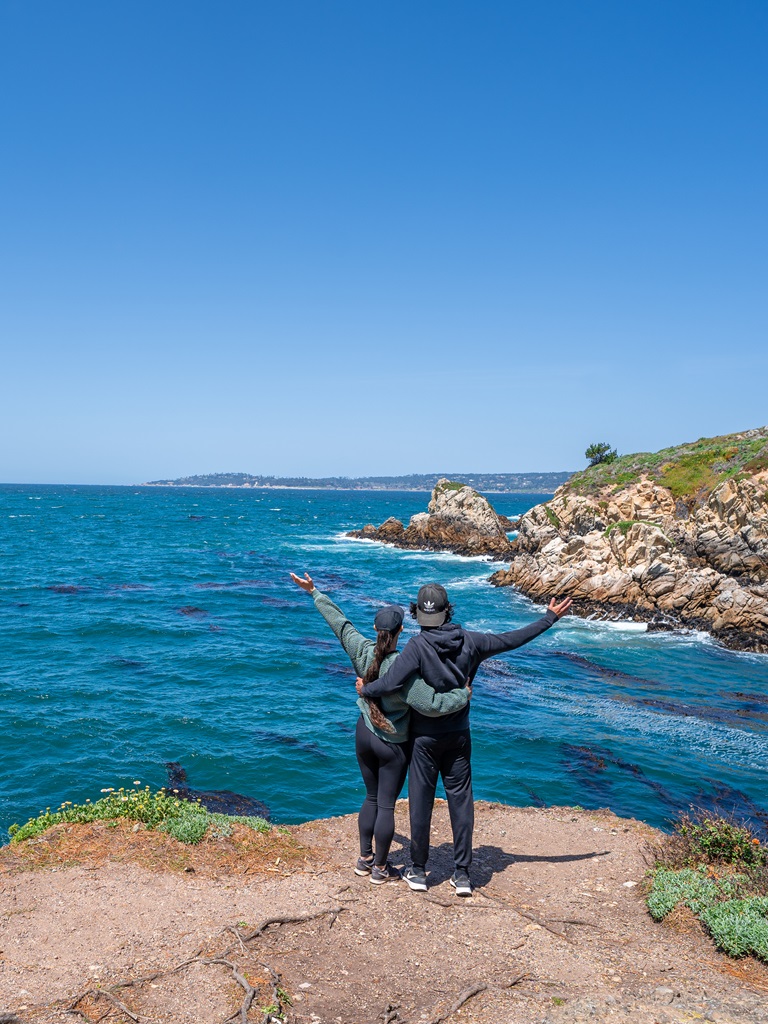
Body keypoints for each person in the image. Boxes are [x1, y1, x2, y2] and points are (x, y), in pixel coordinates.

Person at [358, 583, 572, 896]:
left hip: (424, 740)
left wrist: (366, 690)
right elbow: (511, 640)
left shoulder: (416, 647)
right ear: (448, 610)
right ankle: (462, 875)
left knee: (421, 802)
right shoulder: (471, 641)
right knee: (460, 800)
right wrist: (548, 618)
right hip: (458, 735)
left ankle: (417, 871)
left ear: (417, 614)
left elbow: (390, 683)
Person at [289, 571, 471, 884]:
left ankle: (364, 858)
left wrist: (315, 592)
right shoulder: (404, 669)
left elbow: (340, 624)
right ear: (401, 630)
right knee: (386, 804)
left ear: (375, 629)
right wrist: (462, 695)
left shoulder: (362, 650)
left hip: (364, 733)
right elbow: (432, 704)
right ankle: (381, 869)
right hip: (392, 744)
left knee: (370, 798)